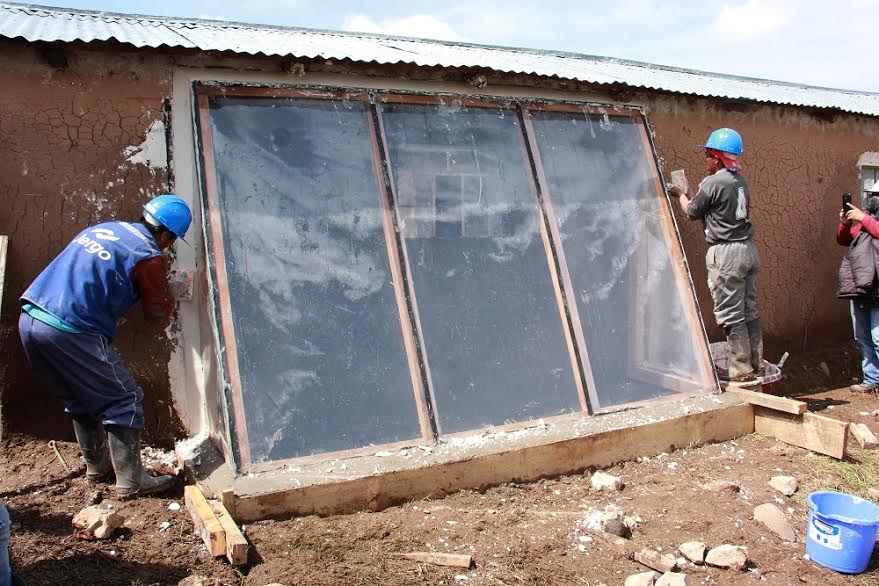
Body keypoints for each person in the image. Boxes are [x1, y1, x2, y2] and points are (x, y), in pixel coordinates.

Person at [18, 195, 192, 498]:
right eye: (171, 240)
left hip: (32, 318)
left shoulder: (104, 229)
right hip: (70, 329)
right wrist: (172, 294)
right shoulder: (148, 257)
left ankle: (98, 469)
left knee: (79, 398)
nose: (168, 246)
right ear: (166, 235)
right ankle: (132, 481)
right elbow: (156, 315)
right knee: (124, 399)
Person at [669, 128, 763, 382]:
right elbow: (714, 208)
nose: (706, 161)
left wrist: (681, 194)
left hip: (727, 254)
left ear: (718, 158)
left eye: (708, 156)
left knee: (731, 313)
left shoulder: (713, 183)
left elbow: (692, 211)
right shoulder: (739, 181)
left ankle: (741, 370)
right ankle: (756, 364)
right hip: (747, 250)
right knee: (749, 311)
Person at [836, 181, 879, 393]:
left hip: (877, 289)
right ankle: (872, 380)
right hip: (862, 288)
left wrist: (864, 218)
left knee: (878, 338)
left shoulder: (867, 220)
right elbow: (845, 239)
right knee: (863, 337)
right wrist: (845, 223)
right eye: (872, 195)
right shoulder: (866, 220)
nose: (874, 199)